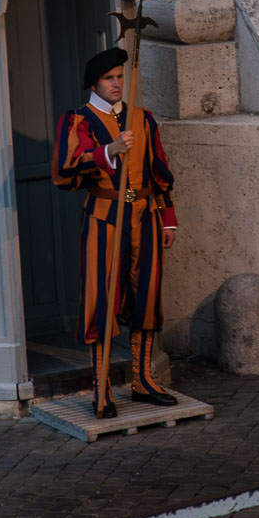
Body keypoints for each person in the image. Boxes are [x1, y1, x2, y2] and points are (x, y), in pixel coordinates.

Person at [52, 46, 178, 418]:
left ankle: (143, 381)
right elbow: (65, 169)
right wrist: (110, 150)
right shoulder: (79, 120)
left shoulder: (143, 118)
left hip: (145, 215)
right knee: (101, 299)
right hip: (104, 217)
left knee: (147, 296)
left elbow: (161, 170)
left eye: (120, 77)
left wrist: (168, 218)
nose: (117, 84)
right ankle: (101, 387)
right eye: (109, 78)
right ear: (94, 83)